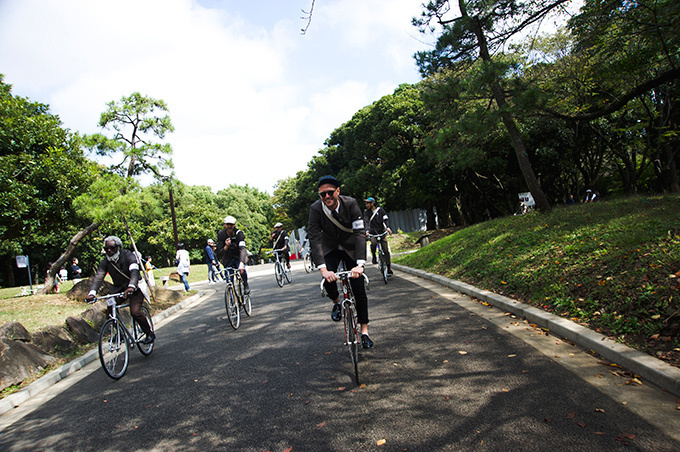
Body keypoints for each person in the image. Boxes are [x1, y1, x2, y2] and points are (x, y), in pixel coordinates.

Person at [308, 175, 373, 349]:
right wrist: (322, 269)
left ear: (338, 191)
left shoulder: (351, 203)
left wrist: (360, 264)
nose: (327, 197)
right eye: (323, 194)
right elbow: (314, 238)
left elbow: (360, 233)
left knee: (358, 288)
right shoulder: (315, 209)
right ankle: (337, 302)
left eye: (330, 193)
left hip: (351, 246)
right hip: (330, 247)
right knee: (327, 280)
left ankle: (364, 331)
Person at [86, 236, 155, 344]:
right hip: (119, 289)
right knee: (110, 307)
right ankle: (120, 333)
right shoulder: (105, 261)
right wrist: (92, 293)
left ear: (119, 247)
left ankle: (149, 333)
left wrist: (131, 286)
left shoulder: (128, 256)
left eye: (112, 248)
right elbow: (99, 277)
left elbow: (134, 272)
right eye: (106, 248)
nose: (109, 251)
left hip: (135, 287)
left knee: (135, 312)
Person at [216, 215, 250, 294]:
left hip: (239, 256)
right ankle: (231, 297)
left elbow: (242, 249)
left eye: (231, 225)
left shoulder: (239, 233)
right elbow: (220, 252)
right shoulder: (221, 234)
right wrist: (226, 246)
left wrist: (241, 263)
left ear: (234, 225)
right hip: (228, 258)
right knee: (229, 279)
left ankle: (245, 284)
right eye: (227, 224)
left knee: (242, 270)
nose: (229, 226)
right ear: (224, 225)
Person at [363, 196, 393, 276]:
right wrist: (367, 231)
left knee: (386, 250)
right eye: (366, 203)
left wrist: (388, 228)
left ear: (372, 203)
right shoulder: (366, 212)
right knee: (373, 243)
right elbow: (366, 222)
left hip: (382, 232)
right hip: (373, 233)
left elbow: (385, 219)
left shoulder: (381, 210)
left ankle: (389, 268)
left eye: (368, 203)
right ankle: (373, 256)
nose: (366, 204)